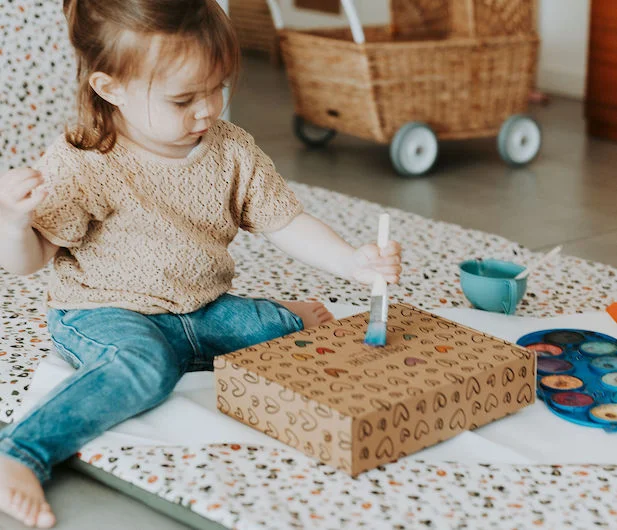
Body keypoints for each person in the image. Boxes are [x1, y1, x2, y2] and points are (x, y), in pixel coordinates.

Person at [0, 0, 402, 527]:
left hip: (199, 306)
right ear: (110, 88)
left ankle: (272, 316)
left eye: (218, 88)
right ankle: (19, 453)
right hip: (103, 311)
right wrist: (13, 224)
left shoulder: (231, 150)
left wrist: (352, 261)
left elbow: (285, 221)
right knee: (144, 367)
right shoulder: (85, 160)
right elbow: (30, 262)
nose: (208, 110)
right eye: (183, 99)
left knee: (282, 334)